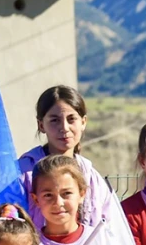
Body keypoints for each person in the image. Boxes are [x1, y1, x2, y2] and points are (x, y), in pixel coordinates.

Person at [18, 86, 115, 228]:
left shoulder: (92, 178)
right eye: (55, 120)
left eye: (71, 119)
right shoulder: (23, 173)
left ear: (83, 122)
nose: (64, 127)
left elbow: (110, 229)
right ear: (41, 125)